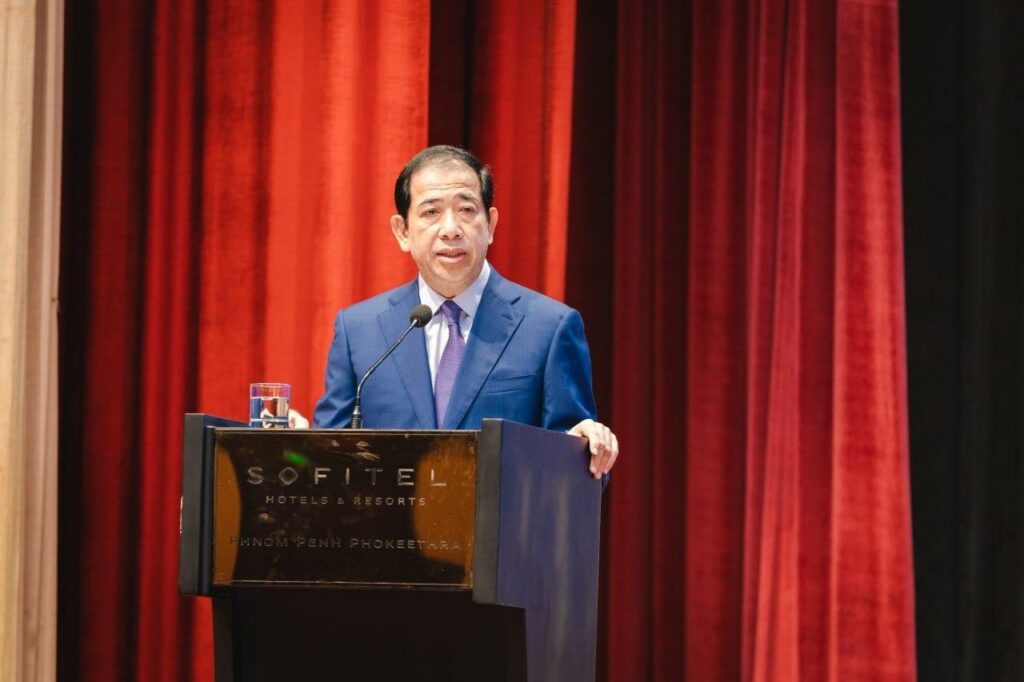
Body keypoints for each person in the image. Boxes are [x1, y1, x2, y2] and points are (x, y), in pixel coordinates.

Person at [311, 145, 618, 479]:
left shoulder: (548, 328)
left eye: (467, 210)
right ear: (402, 231)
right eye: (431, 212)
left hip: (502, 515)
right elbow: (323, 461)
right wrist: (293, 448)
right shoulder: (359, 331)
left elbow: (583, 470)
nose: (451, 229)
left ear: (491, 224)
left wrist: (583, 450)